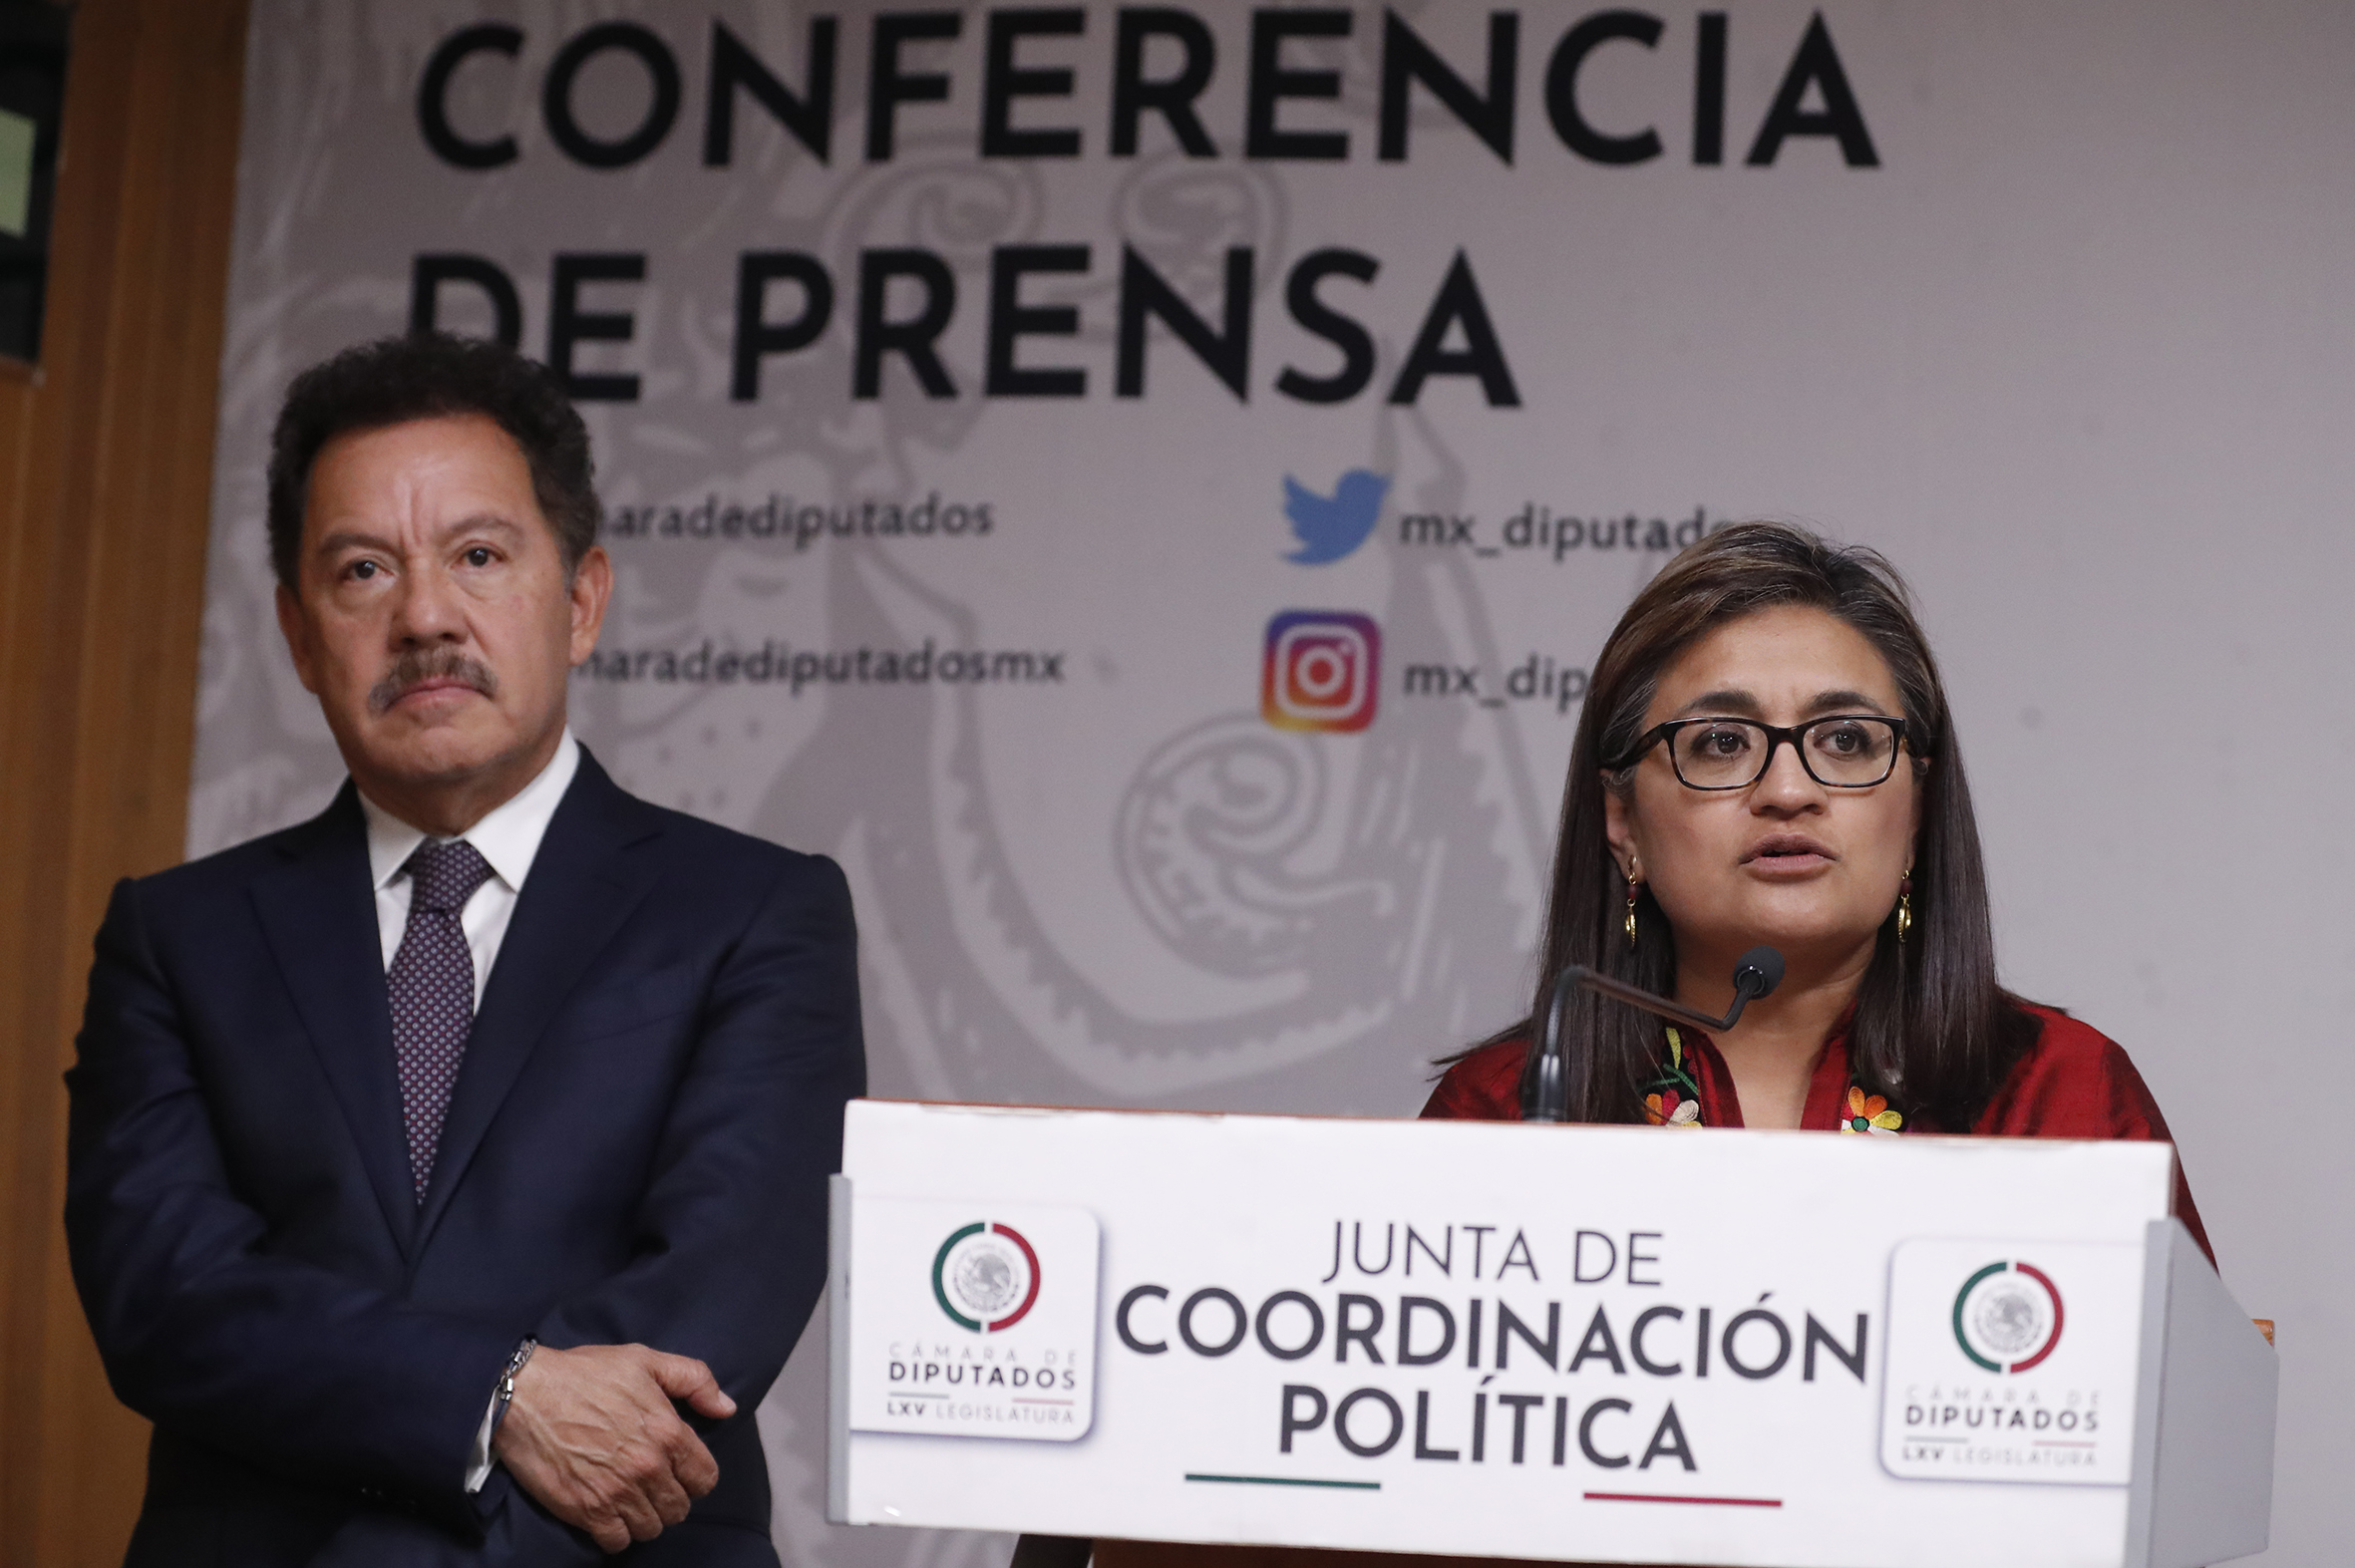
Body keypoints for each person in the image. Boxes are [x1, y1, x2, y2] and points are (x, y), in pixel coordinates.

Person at [65, 333, 865, 1565]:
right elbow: (170, 1300)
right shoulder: (176, 938)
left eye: (478, 556)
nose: (425, 616)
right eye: (363, 570)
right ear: (297, 634)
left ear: (581, 600)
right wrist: (494, 1398)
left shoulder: (758, 913)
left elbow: (713, 1302)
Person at [1423, 521, 2210, 1260]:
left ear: (1917, 811)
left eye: (1846, 739)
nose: (1789, 789)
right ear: (1622, 818)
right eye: (1722, 742)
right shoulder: (1505, 1113)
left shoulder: (2061, 1095)